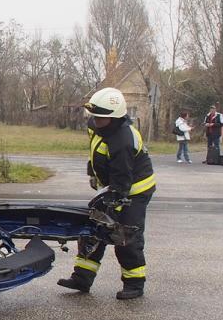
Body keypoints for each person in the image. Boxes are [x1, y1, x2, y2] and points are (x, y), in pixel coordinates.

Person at [57, 88, 156, 300]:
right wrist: (92, 171)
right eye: (95, 115)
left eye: (101, 117)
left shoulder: (123, 140)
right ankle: (82, 278)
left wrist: (114, 207)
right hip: (110, 187)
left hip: (133, 192)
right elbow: (95, 149)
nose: (96, 120)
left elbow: (122, 180)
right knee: (92, 231)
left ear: (114, 117)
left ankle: (134, 284)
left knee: (125, 235)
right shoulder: (97, 126)